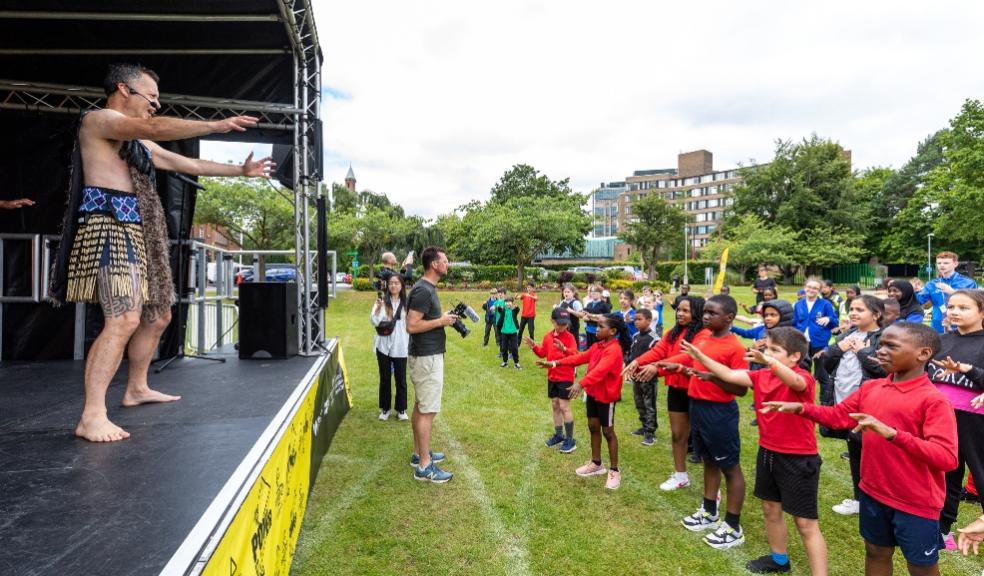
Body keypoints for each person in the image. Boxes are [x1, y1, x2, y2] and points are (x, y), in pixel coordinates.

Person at [48, 63, 274, 442]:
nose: (155, 105)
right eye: (151, 98)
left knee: (157, 315)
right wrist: (215, 125)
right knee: (123, 319)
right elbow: (153, 128)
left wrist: (241, 171)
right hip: (107, 225)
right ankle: (92, 415)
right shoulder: (99, 120)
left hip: (139, 231)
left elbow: (188, 163)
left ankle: (136, 388)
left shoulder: (139, 143)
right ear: (124, 89)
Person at [762, 322, 958, 576]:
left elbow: (946, 457)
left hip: (915, 502)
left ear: (923, 353)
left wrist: (893, 434)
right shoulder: (871, 388)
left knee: (921, 566)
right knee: (875, 552)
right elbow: (838, 416)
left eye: (891, 346)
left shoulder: (934, 400)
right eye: (881, 344)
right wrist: (801, 408)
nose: (881, 350)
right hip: (873, 492)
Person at [683, 327, 828, 575]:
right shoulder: (761, 376)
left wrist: (768, 361)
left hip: (798, 459)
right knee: (770, 509)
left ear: (794, 356)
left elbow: (795, 382)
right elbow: (728, 374)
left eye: (775, 350)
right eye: (767, 348)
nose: (767, 353)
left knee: (805, 523)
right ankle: (779, 560)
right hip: (768, 453)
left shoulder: (803, 378)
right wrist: (700, 356)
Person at [656, 295, 750, 550]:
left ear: (729, 318)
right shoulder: (703, 340)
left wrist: (712, 378)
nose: (706, 317)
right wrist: (682, 370)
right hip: (697, 407)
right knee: (708, 460)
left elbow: (741, 389)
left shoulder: (735, 348)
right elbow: (695, 369)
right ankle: (709, 511)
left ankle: (733, 526)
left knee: (730, 467)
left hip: (719, 412)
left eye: (712, 313)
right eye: (705, 312)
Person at [624, 296, 707, 491]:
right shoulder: (673, 333)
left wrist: (657, 366)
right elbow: (658, 351)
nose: (680, 313)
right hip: (677, 389)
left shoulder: (704, 334)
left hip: (698, 390)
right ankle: (680, 476)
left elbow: (688, 357)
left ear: (697, 313)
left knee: (703, 438)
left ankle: (713, 487)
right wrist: (637, 361)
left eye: (686, 310)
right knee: (678, 435)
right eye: (679, 310)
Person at [541, 313, 631, 490]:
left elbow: (600, 371)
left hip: (606, 396)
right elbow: (580, 357)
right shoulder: (598, 345)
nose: (596, 329)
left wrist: (580, 384)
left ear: (612, 331)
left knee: (608, 432)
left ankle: (614, 470)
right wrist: (555, 363)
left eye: (601, 327)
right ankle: (596, 463)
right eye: (597, 326)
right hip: (593, 393)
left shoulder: (614, 350)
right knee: (593, 427)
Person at [818, 295, 887, 516]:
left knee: (874, 455)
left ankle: (878, 499)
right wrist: (837, 349)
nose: (853, 313)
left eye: (860, 309)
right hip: (844, 401)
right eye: (852, 309)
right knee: (855, 451)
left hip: (870, 405)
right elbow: (826, 365)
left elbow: (883, 370)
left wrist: (862, 352)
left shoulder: (884, 337)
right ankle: (859, 499)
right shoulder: (847, 334)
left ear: (876, 314)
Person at [928, 289, 984, 551]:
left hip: (975, 421)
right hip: (942, 418)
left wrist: (968, 370)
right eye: (951, 307)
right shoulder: (940, 340)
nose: (955, 312)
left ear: (981, 312)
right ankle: (942, 529)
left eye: (963, 307)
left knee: (980, 473)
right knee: (946, 472)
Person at [406, 246, 459, 483]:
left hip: (427, 355)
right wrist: (441, 321)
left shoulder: (426, 288)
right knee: (428, 410)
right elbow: (411, 325)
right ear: (434, 265)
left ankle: (420, 454)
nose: (448, 264)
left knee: (421, 406)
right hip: (426, 357)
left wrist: (441, 317)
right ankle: (425, 466)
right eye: (445, 261)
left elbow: (422, 319)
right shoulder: (423, 290)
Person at [526, 308, 578, 454]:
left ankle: (570, 440)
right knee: (555, 404)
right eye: (559, 323)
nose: (563, 326)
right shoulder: (548, 337)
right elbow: (543, 353)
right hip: (552, 376)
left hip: (565, 376)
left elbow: (576, 355)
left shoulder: (570, 337)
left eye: (565, 324)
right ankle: (559, 435)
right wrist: (534, 346)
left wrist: (564, 349)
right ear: (552, 321)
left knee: (564, 406)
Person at [371, 273, 409, 422]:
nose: (393, 285)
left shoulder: (407, 304)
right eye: (391, 283)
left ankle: (401, 409)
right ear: (387, 285)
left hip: (401, 345)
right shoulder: (382, 302)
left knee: (401, 379)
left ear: (401, 285)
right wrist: (378, 309)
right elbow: (374, 321)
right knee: (385, 378)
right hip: (383, 345)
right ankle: (385, 409)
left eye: (396, 283)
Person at [794, 278, 838, 408]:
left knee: (822, 373)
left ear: (819, 290)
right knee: (802, 371)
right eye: (809, 287)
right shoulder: (798, 304)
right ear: (805, 287)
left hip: (819, 342)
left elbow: (835, 322)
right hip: (802, 342)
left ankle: (825, 402)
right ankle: (803, 400)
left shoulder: (825, 304)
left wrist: (828, 319)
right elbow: (794, 322)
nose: (811, 290)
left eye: (815, 288)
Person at [917, 251, 978, 333]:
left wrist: (953, 292)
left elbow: (975, 302)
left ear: (955, 264)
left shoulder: (968, 282)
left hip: (962, 326)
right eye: (939, 263)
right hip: (938, 326)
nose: (942, 265)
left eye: (946, 263)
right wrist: (915, 291)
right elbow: (918, 302)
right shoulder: (931, 284)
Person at [627, 308, 659, 446]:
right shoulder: (635, 336)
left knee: (649, 404)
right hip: (636, 376)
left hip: (648, 377)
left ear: (649, 320)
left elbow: (658, 357)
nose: (636, 322)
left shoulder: (655, 339)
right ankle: (644, 425)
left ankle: (650, 432)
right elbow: (631, 354)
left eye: (639, 319)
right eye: (635, 319)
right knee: (639, 402)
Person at [496, 296, 521, 369]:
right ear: (505, 303)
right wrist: (499, 307)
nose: (508, 303)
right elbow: (500, 310)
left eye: (509, 302)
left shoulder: (514, 310)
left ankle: (516, 363)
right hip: (504, 332)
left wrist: (516, 307)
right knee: (504, 348)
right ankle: (505, 362)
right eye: (506, 302)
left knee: (514, 348)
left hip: (513, 332)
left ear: (512, 303)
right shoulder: (503, 311)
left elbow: (517, 309)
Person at [557, 283, 583, 350]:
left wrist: (571, 311)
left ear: (573, 293)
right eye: (565, 292)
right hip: (563, 328)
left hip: (573, 329)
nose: (566, 294)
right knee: (564, 345)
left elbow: (581, 315)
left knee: (573, 346)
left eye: (568, 292)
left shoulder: (576, 303)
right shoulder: (562, 302)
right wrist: (556, 309)